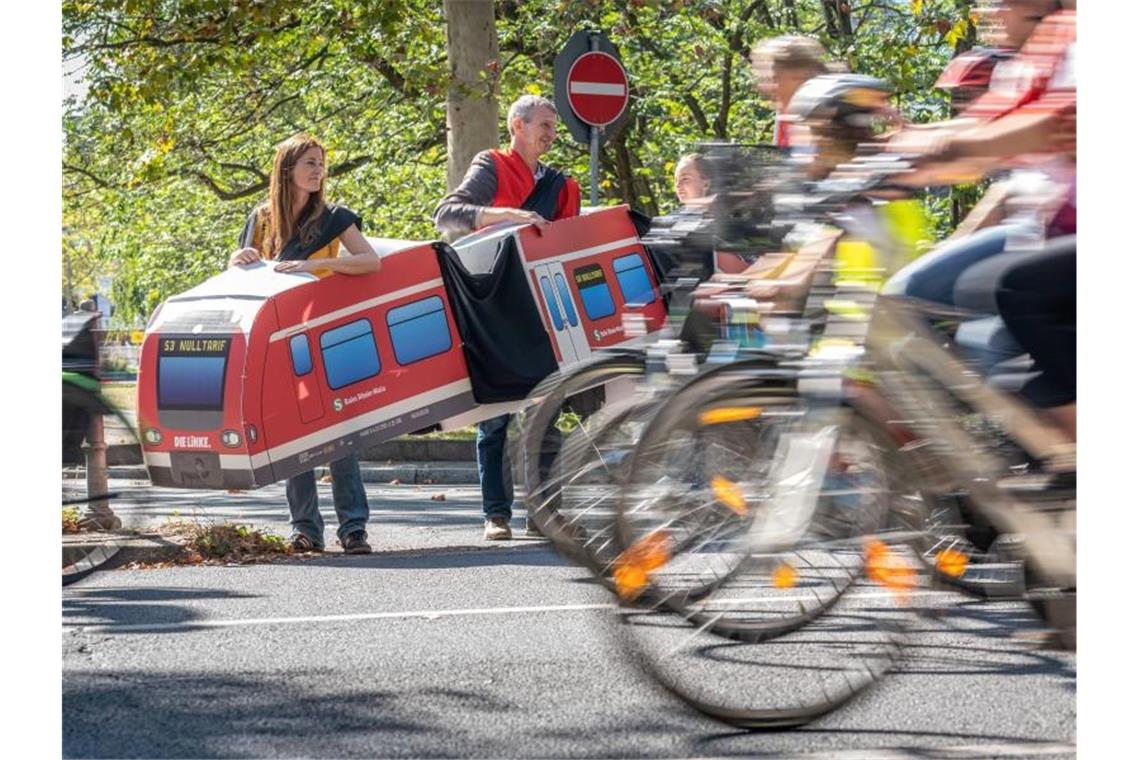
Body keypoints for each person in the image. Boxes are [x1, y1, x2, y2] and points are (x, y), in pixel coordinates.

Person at [433, 94, 582, 541]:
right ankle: (496, 515)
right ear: (517, 125)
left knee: (546, 414)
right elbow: (447, 215)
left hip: (540, 310)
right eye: (543, 125)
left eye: (554, 128)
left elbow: (571, 248)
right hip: (491, 307)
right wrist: (506, 216)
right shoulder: (491, 165)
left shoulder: (564, 185)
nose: (550, 135)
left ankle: (546, 514)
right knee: (494, 415)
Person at [228, 134, 381, 554]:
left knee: (341, 434)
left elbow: (371, 261)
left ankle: (354, 529)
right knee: (296, 437)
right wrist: (235, 260)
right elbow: (243, 269)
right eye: (309, 163)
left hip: (328, 334)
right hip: (282, 338)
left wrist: (319, 264)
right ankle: (305, 528)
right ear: (287, 169)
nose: (318, 171)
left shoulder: (334, 217)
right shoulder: (261, 219)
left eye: (320, 164)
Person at [749, 35, 829, 149]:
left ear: (799, 76)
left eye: (774, 78)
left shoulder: (832, 121)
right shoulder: (787, 117)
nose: (766, 88)